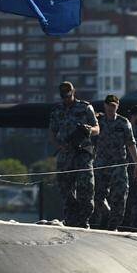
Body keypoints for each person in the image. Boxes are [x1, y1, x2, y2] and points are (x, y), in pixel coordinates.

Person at [48, 81, 99, 228]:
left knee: (86, 188)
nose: (67, 98)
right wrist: (59, 146)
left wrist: (89, 130)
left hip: (83, 153)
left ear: (73, 92)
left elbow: (97, 128)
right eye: (64, 96)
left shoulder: (85, 107)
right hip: (65, 154)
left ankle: (84, 220)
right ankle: (71, 218)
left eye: (69, 95)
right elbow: (52, 132)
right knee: (65, 188)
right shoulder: (57, 110)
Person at [91, 94, 137, 230]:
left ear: (117, 106)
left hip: (118, 165)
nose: (111, 108)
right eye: (109, 106)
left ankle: (113, 225)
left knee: (119, 197)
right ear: (105, 105)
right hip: (101, 164)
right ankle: (106, 213)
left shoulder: (124, 123)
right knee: (97, 195)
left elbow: (131, 144)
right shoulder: (98, 121)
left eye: (114, 106)